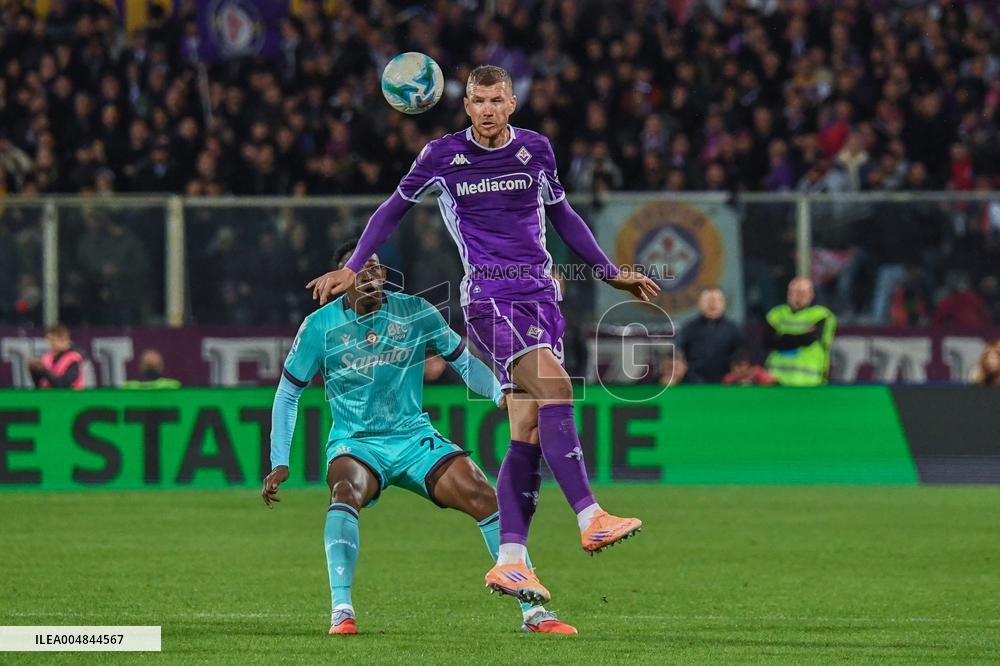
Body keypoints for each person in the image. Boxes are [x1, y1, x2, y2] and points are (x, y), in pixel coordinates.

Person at [307, 65, 659, 600]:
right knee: (558, 389)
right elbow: (391, 210)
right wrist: (354, 265)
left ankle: (512, 559)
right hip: (491, 298)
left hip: (540, 295)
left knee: (530, 430)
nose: (488, 109)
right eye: (478, 100)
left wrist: (611, 272)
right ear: (466, 105)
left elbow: (564, 217)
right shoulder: (442, 156)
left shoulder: (537, 150)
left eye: (497, 99)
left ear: (512, 102)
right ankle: (590, 515)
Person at [263, 240, 576, 636]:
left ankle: (534, 613)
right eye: (362, 269)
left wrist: (501, 392)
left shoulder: (414, 312)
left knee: (484, 496)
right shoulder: (319, 327)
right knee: (344, 490)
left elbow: (463, 362)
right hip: (356, 442)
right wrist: (279, 460)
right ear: (344, 279)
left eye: (377, 267)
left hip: (414, 438)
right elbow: (288, 392)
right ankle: (341, 610)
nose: (373, 275)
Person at [763, 278, 837, 386]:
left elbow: (809, 339)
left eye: (801, 293)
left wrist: (782, 337)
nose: (796, 296)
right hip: (776, 380)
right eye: (792, 292)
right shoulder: (776, 314)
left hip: (809, 382)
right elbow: (767, 342)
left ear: (811, 294)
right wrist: (801, 335)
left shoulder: (821, 315)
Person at [675, 287, 744, 383]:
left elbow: (742, 356)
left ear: (724, 304)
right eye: (708, 300)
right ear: (700, 303)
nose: (712, 304)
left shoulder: (734, 329)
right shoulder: (689, 328)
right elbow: (677, 351)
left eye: (717, 300)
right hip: (694, 383)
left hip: (727, 383)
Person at [28, 323, 86, 390]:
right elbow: (39, 384)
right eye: (49, 340)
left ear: (65, 340)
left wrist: (43, 370)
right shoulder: (47, 357)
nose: (51, 344)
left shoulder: (74, 359)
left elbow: (63, 385)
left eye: (54, 340)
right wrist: (34, 370)